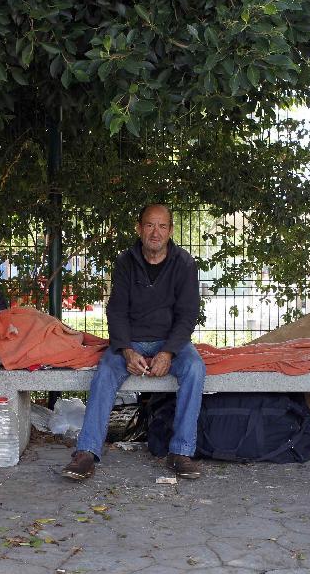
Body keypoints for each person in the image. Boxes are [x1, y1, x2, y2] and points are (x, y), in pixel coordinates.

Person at [62, 204, 206, 481]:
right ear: (139, 228)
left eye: (162, 226)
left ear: (171, 231)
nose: (156, 232)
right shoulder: (125, 262)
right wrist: (127, 350)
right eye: (150, 225)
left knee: (195, 369)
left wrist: (167, 352)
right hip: (132, 343)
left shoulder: (185, 264)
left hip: (170, 343)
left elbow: (188, 315)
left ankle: (181, 452)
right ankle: (86, 453)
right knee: (105, 372)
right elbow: (116, 311)